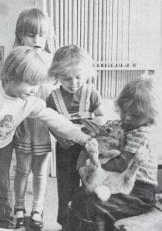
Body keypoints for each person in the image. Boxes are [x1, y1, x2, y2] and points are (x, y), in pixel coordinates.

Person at [0, 46, 92, 231]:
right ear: (11, 77)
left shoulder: (29, 101)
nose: (35, 90)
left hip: (3, 146)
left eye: (38, 84)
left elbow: (55, 119)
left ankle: (5, 223)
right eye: (31, 84)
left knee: (3, 185)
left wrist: (82, 137)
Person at [64, 78, 158, 231]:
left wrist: (95, 165)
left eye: (135, 115)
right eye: (124, 111)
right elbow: (100, 139)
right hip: (113, 181)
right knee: (79, 195)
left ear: (150, 115)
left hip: (138, 192)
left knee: (93, 204)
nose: (127, 117)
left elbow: (121, 164)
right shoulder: (120, 125)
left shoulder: (142, 134)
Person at [46, 44, 106, 229]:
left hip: (88, 150)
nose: (73, 83)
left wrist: (91, 129)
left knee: (91, 185)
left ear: (86, 73)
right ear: (56, 76)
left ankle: (89, 222)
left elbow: (101, 117)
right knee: (66, 187)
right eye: (66, 78)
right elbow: (51, 121)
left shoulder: (91, 93)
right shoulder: (53, 97)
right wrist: (62, 137)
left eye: (78, 77)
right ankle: (66, 224)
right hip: (66, 149)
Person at [12, 8, 57, 230]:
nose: (37, 40)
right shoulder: (16, 59)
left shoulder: (51, 60)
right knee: (21, 169)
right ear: (21, 35)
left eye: (41, 35)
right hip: (22, 123)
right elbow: (9, 93)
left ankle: (37, 209)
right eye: (31, 35)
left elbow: (57, 92)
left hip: (43, 124)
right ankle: (18, 208)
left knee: (41, 171)